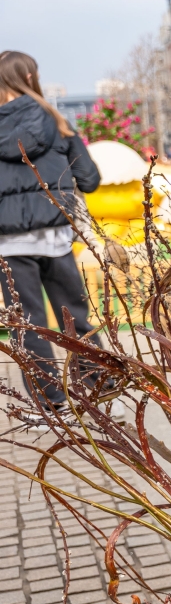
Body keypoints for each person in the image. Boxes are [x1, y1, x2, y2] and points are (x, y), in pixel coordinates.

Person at [0, 51, 103, 412]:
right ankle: (101, 393)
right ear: (30, 77)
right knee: (75, 318)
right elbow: (89, 180)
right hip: (56, 238)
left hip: (7, 243)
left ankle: (51, 405)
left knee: (27, 325)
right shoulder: (57, 121)